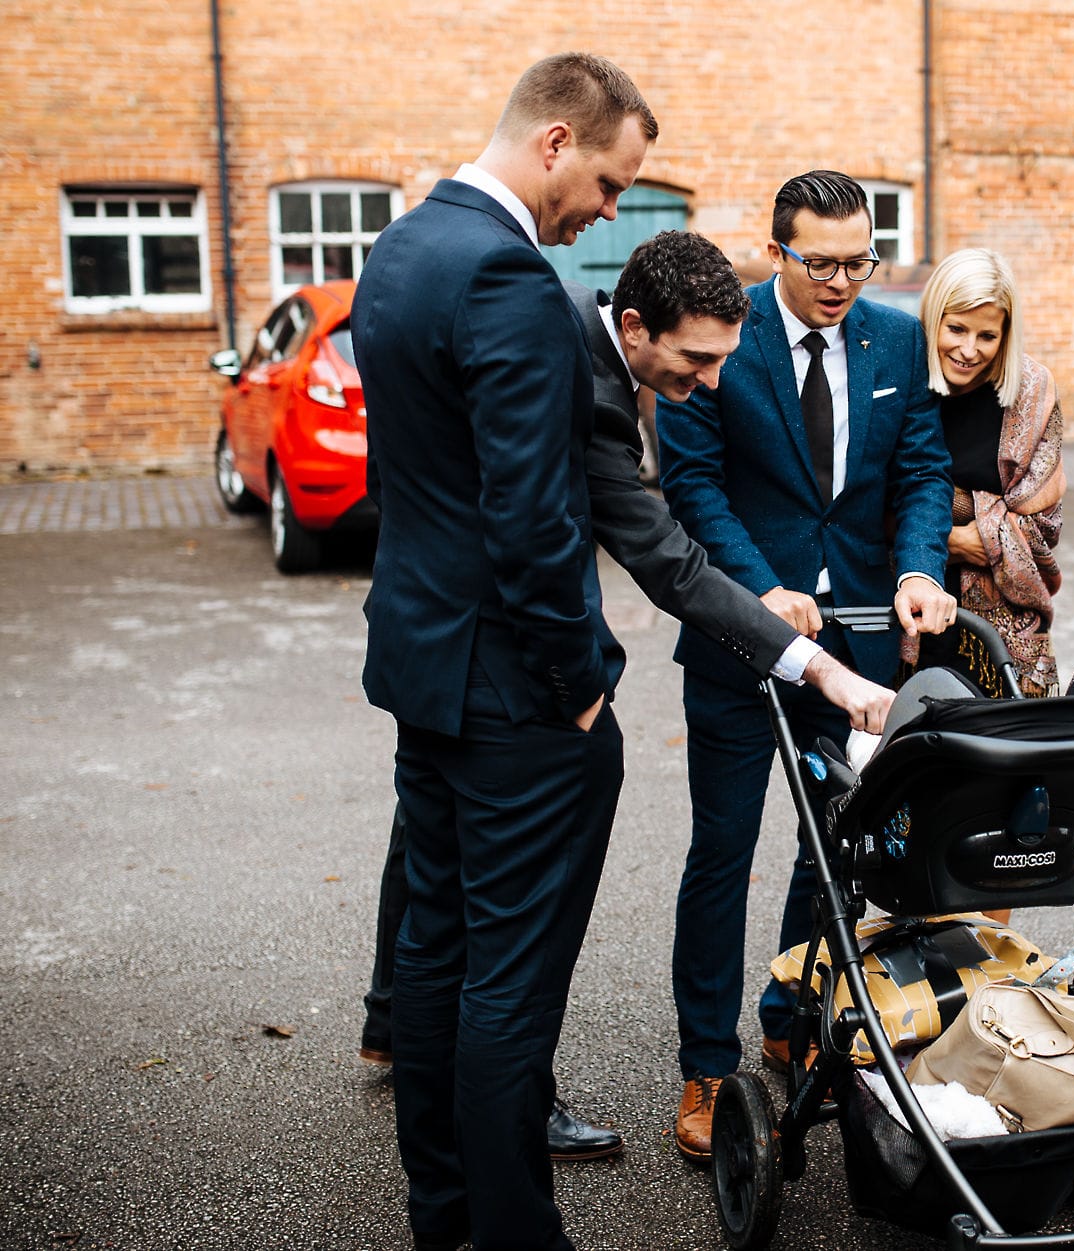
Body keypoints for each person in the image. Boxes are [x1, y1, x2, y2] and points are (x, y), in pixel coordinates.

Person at [355, 231, 895, 1161]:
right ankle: (502, 1120)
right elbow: (661, 559)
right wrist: (583, 686)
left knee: (437, 896)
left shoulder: (549, 320)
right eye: (695, 359)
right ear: (636, 326)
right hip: (510, 680)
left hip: (429, 653)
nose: (713, 383)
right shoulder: (577, 372)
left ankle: (413, 1058)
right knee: (509, 940)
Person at [351, 53, 654, 1251]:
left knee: (433, 950)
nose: (610, 207)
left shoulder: (403, 249)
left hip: (421, 669)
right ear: (553, 144)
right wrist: (580, 682)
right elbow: (532, 523)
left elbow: (416, 484)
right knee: (509, 989)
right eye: (610, 178)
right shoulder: (509, 282)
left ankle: (448, 1219)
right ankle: (513, 1236)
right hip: (515, 699)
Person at [656, 170, 957, 1159]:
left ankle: (791, 1012)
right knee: (722, 852)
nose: (838, 281)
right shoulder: (719, 337)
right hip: (737, 640)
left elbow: (918, 466)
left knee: (830, 847)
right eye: (817, 261)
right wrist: (757, 593)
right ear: (775, 249)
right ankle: (707, 1066)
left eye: (855, 261)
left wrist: (917, 567)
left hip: (863, 646)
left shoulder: (897, 338)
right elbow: (694, 488)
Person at [919, 247, 1067, 699]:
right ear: (932, 319)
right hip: (906, 608)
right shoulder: (901, 384)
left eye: (987, 336)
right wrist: (947, 542)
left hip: (1003, 632)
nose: (968, 350)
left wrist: (966, 521)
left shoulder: (1032, 393)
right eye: (956, 329)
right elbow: (865, 503)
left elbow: (1042, 521)